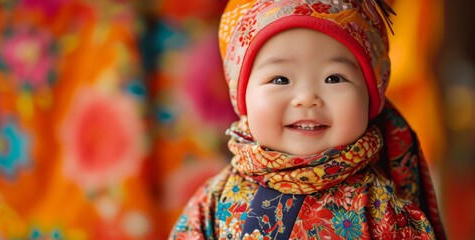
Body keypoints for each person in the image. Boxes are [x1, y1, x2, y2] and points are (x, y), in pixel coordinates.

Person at [169, 0, 446, 239]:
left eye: (334, 78)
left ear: (372, 93)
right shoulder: (214, 202)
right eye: (280, 79)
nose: (306, 97)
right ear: (240, 96)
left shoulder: (382, 210)